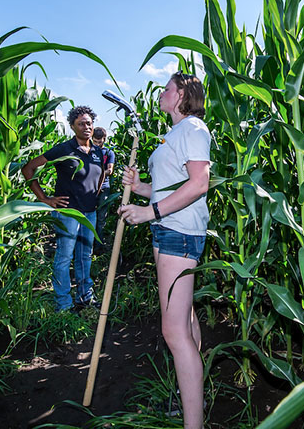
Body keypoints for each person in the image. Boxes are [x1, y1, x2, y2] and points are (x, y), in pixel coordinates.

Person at [118, 72, 211, 429]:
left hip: (178, 233)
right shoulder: (175, 133)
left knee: (174, 331)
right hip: (168, 230)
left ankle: (193, 424)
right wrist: (140, 187)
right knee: (185, 322)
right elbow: (166, 188)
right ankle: (194, 403)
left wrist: (149, 212)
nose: (162, 92)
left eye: (168, 88)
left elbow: (199, 183)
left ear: (183, 94)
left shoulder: (193, 129)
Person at [22, 105, 104, 311]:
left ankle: (85, 297)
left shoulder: (97, 152)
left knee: (85, 256)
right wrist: (45, 199)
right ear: (72, 127)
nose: (86, 127)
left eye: (89, 123)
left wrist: (95, 195)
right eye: (81, 124)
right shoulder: (64, 149)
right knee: (65, 257)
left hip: (90, 212)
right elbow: (28, 168)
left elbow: (100, 176)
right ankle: (64, 304)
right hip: (68, 212)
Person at [91, 127, 115, 254]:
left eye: (99, 142)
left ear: (104, 140)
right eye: (95, 141)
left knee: (101, 218)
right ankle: (86, 245)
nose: (97, 144)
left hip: (103, 188)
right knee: (88, 215)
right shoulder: (88, 151)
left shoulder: (108, 153)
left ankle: (98, 246)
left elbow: (110, 170)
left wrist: (96, 173)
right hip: (89, 188)